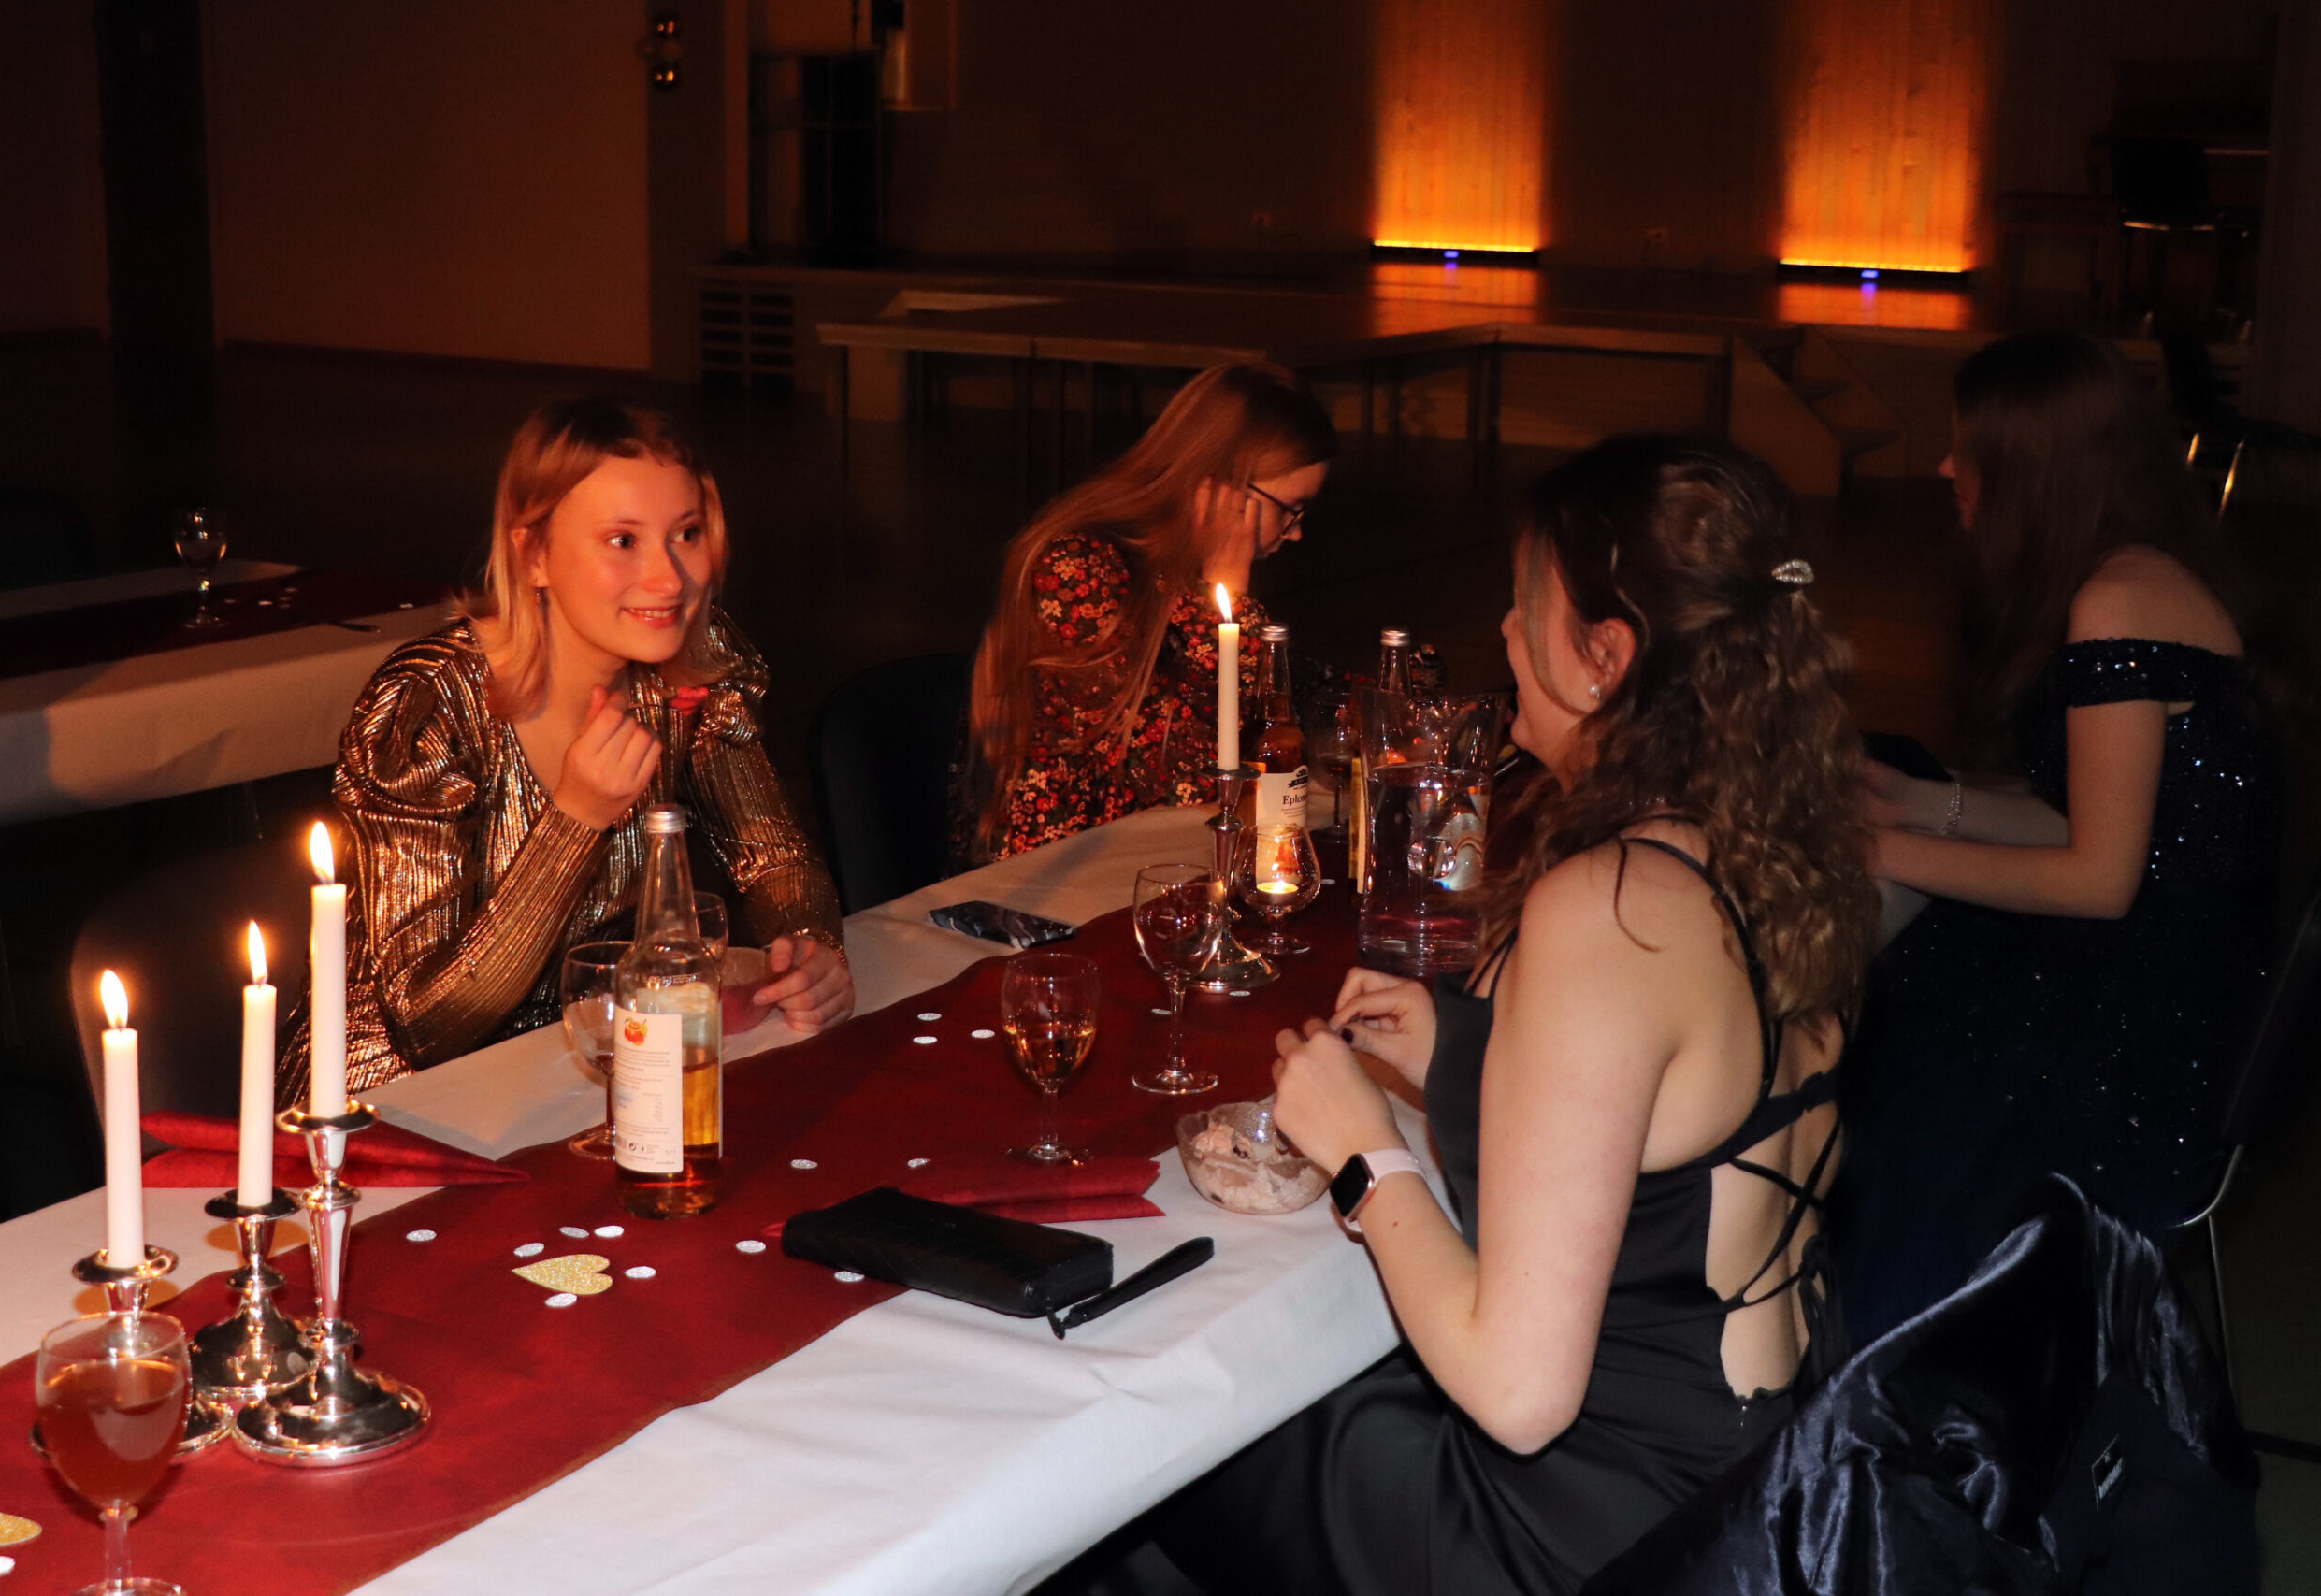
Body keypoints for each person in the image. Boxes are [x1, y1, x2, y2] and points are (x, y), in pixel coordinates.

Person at [1153, 437, 1876, 1595]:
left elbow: (1519, 1395)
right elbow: (1686, 1126)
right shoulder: (1771, 849)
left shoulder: (1611, 907)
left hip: (1588, 1534)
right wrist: (1466, 1049)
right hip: (1758, 1475)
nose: (1499, 629)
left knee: (1159, 1454)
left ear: (1605, 656)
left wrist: (1362, 1151)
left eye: (1523, 603)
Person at [1832, 331, 2283, 1345]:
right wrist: (1923, 803)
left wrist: (1880, 849)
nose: (1945, 468)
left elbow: (2098, 878)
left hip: (2157, 1005)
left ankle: (1867, 1357)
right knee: (1887, 958)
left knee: (1885, 1056)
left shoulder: (2116, 603)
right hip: (2168, 951)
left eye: (1965, 450)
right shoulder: (2132, 572)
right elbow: (2104, 821)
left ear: (2031, 470)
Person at [277, 397, 851, 1105]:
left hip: (582, 1061)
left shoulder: (691, 665)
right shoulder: (431, 704)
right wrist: (576, 817)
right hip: (390, 1107)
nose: (670, 578)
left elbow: (775, 860)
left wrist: (809, 946)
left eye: (687, 533)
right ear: (534, 555)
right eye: (623, 540)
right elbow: (427, 1026)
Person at [960, 362, 1335, 862]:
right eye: (1292, 509)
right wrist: (1225, 597)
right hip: (1065, 867)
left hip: (1166, 853)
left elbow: (1309, 702)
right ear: (1229, 489)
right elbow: (1184, 773)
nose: (1297, 532)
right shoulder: (1078, 568)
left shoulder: (1185, 572)